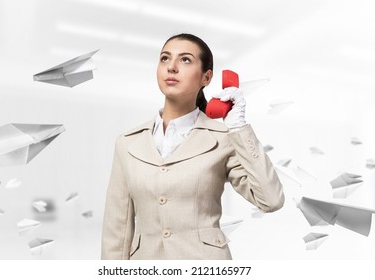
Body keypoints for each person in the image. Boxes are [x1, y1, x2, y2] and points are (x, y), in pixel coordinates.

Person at [101, 33, 284, 260]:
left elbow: (271, 200)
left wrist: (239, 128)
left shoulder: (225, 138)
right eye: (165, 59)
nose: (172, 67)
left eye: (185, 60)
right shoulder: (128, 143)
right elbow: (116, 229)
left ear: (206, 77)